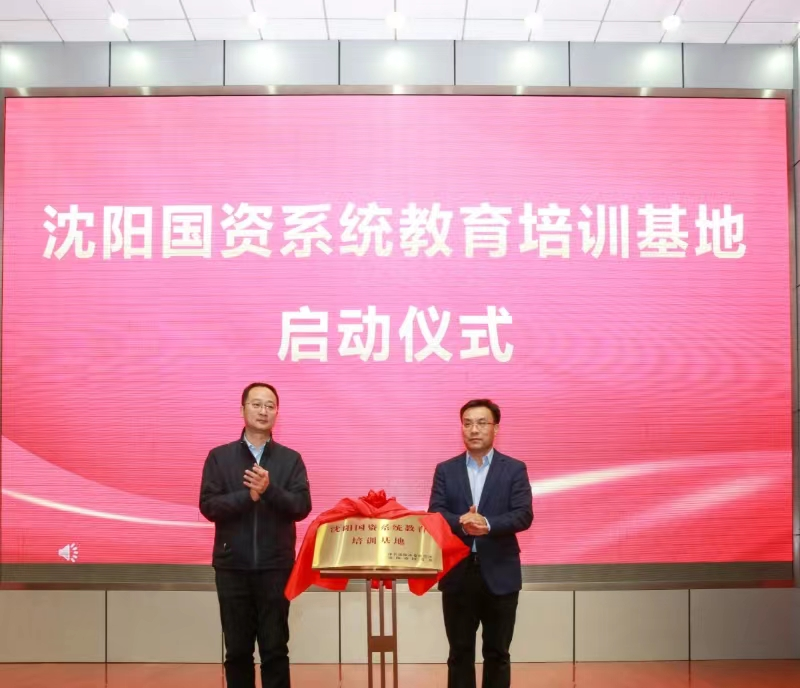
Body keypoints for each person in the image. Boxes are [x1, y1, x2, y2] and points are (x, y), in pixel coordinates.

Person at [199, 382, 311, 688]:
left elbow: (301, 506)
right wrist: (246, 497)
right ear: (242, 410)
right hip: (232, 567)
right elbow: (208, 506)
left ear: (277, 413)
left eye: (270, 406)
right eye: (257, 404)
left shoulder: (290, 460)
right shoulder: (219, 457)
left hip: (276, 568)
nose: (264, 411)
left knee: (275, 650)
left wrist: (269, 490)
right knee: (237, 651)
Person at [428, 399, 533, 688]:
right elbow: (435, 513)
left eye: (481, 423)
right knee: (459, 653)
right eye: (467, 423)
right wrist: (461, 521)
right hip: (458, 573)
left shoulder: (514, 469)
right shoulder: (446, 469)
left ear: (495, 428)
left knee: (497, 653)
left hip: (500, 572)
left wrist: (487, 524)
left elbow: (523, 514)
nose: (474, 430)